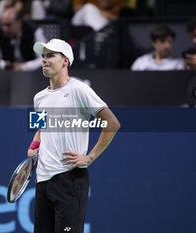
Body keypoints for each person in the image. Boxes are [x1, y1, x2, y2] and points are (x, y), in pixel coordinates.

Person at [27, 38, 120, 233]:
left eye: (50, 55)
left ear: (65, 61)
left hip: (69, 179)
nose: (44, 60)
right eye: (43, 56)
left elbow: (112, 123)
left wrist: (90, 157)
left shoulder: (79, 89)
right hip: (43, 181)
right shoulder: (39, 97)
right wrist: (34, 146)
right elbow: (40, 129)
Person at [0, 6, 46, 71]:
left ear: (18, 22)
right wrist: (3, 64)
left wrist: (24, 67)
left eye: (8, 25)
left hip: (31, 73)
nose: (4, 29)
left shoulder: (34, 30)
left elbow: (44, 58)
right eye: (2, 24)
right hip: (6, 73)